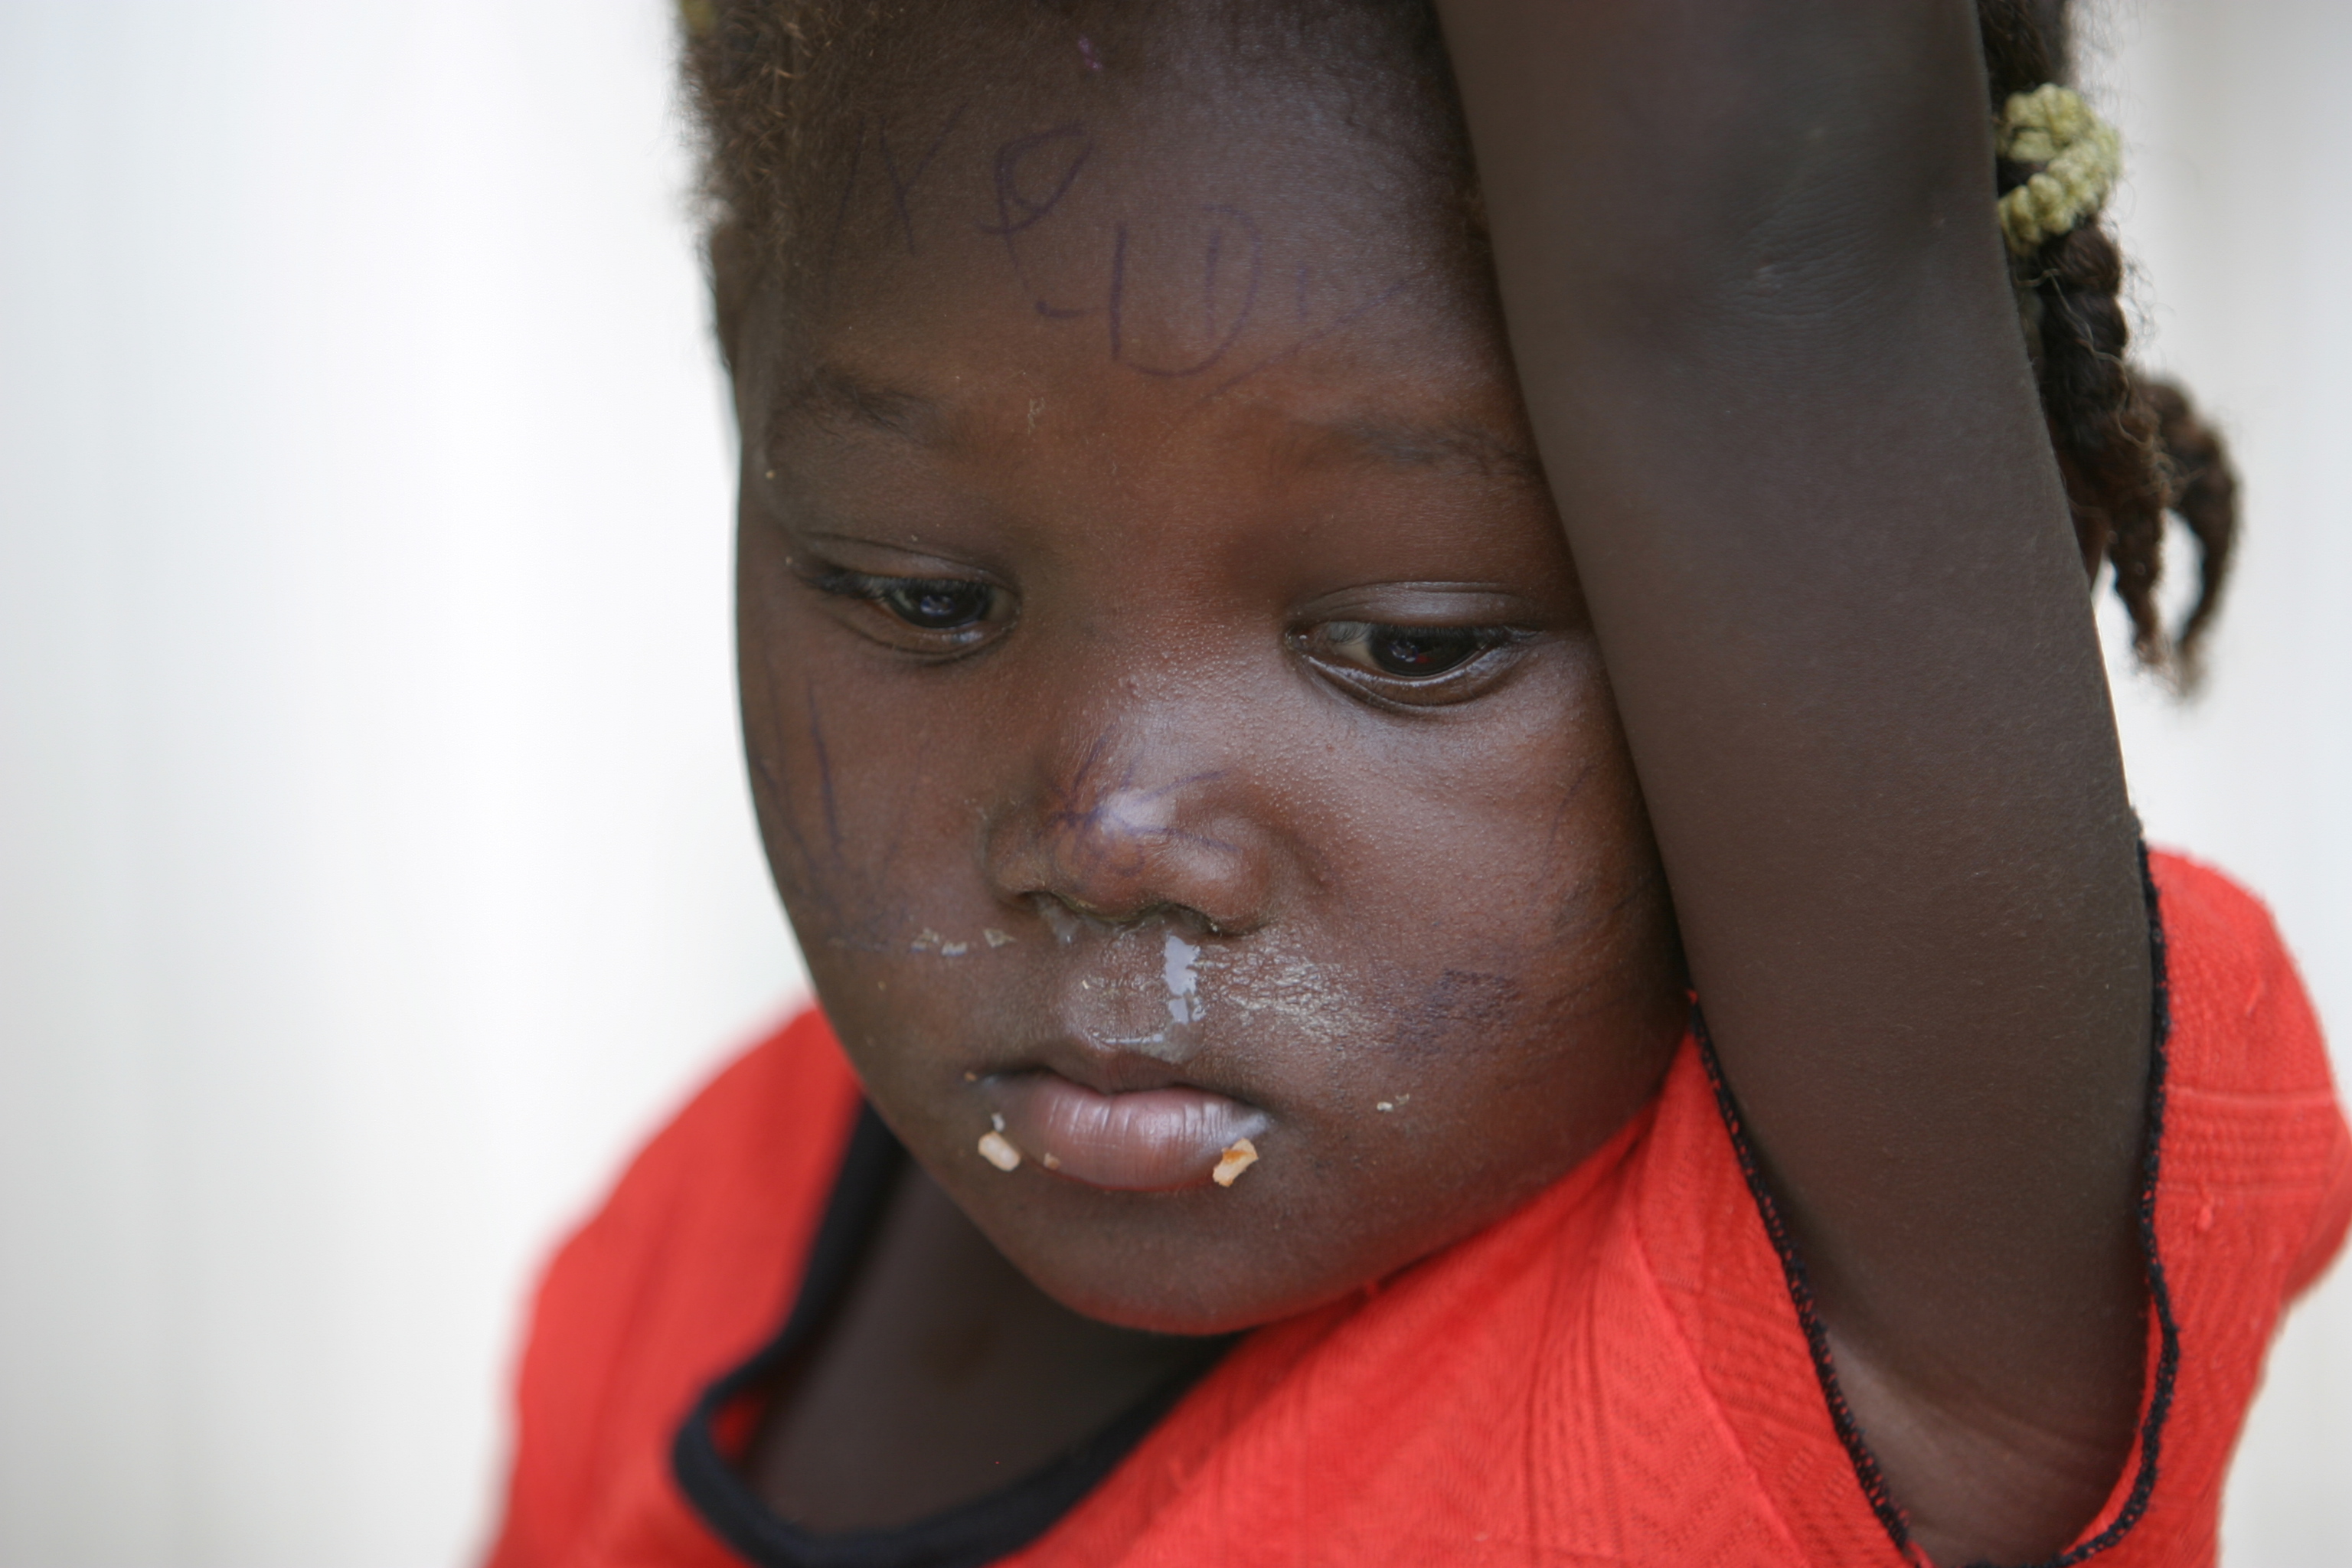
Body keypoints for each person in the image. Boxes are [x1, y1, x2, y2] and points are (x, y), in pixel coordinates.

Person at [485, 2, 2350, 1564]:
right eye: (925, 596)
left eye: (1409, 643)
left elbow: (1756, 237)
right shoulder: (670, 1255)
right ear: (747, 374)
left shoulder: (1879, 1326)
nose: (1114, 830)